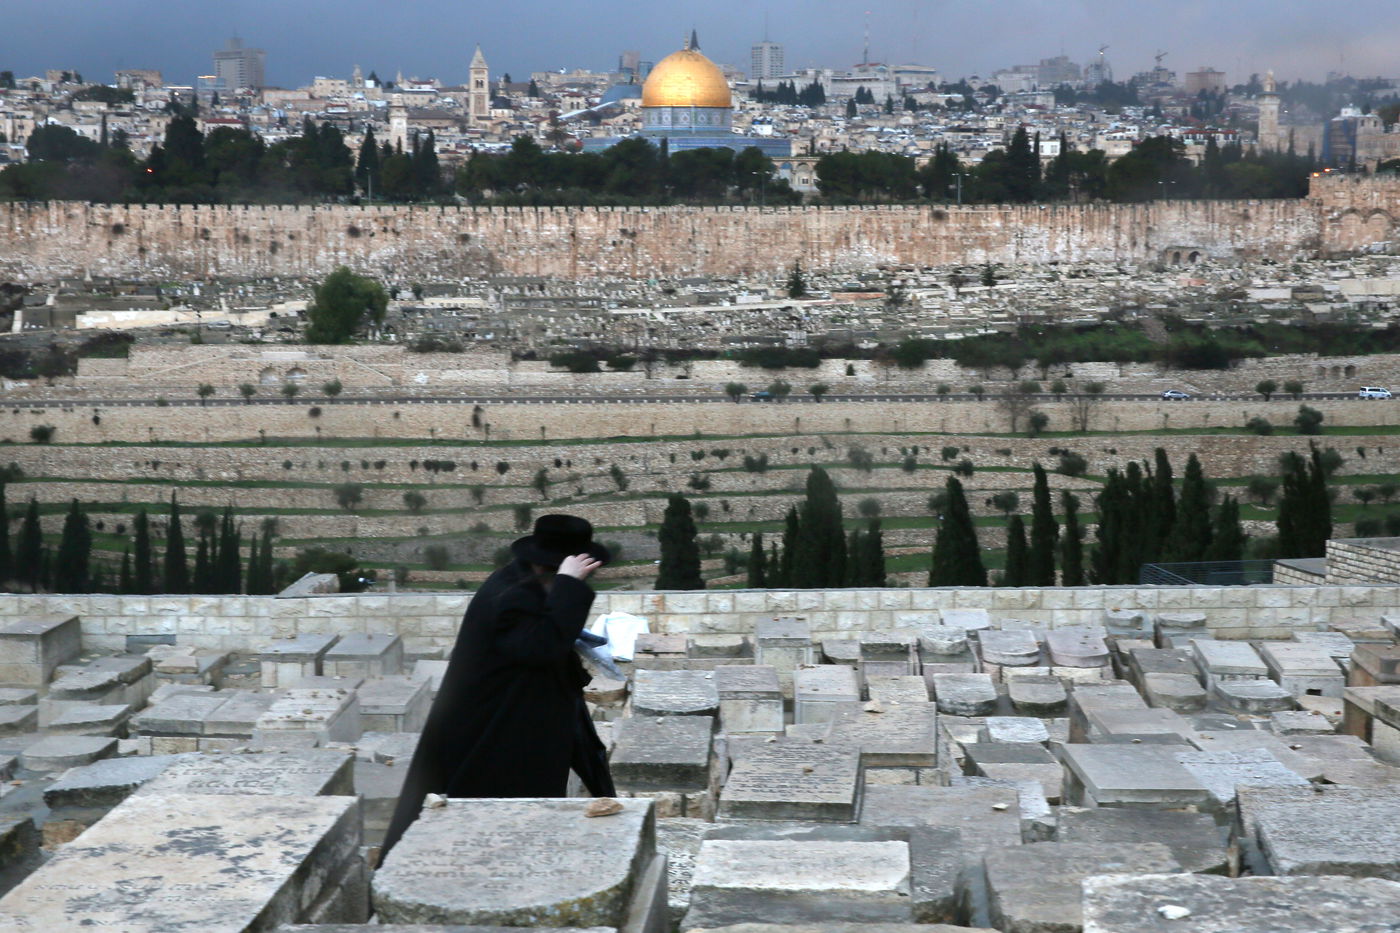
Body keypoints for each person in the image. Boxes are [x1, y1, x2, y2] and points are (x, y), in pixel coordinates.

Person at [381, 514, 616, 858]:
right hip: (494, 731)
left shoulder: (524, 583)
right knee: (486, 821)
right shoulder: (512, 596)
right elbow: (543, 647)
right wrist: (570, 586)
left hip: (515, 719)